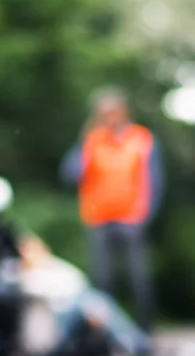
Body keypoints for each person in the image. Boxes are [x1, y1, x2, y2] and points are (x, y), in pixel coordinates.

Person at [60, 87, 163, 332]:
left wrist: (145, 215)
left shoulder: (141, 138)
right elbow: (69, 173)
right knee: (103, 280)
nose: (109, 117)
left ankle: (145, 332)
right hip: (98, 217)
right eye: (104, 113)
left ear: (124, 111)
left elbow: (155, 179)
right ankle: (109, 334)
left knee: (139, 277)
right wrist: (84, 142)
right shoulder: (92, 140)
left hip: (131, 218)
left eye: (113, 111)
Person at [18, 234, 150, 356]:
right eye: (30, 251)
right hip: (61, 318)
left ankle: (129, 341)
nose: (34, 254)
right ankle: (131, 342)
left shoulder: (55, 266)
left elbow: (79, 281)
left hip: (78, 307)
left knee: (95, 300)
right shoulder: (22, 274)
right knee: (94, 301)